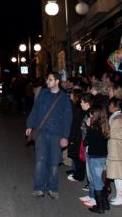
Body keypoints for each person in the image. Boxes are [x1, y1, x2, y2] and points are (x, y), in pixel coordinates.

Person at [25, 72, 72, 200]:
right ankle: (39, 188)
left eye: (50, 79)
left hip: (56, 134)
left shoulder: (64, 98)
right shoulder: (43, 93)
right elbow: (35, 110)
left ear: (57, 82)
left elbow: (68, 118)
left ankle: (52, 188)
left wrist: (65, 136)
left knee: (54, 163)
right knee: (40, 161)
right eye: (47, 79)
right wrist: (30, 125)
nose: (47, 81)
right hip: (41, 132)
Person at [85, 104, 110, 214]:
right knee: (100, 179)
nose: (89, 116)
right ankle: (105, 203)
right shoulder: (104, 125)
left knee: (97, 181)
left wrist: (88, 127)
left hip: (94, 156)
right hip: (103, 155)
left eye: (91, 114)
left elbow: (87, 141)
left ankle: (100, 207)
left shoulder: (94, 127)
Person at [106, 97, 122, 207]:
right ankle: (118, 197)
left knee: (118, 174)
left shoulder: (118, 118)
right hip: (115, 146)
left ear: (115, 107)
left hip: (117, 147)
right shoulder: (116, 116)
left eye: (110, 105)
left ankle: (120, 198)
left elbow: (111, 133)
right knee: (116, 174)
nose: (109, 107)